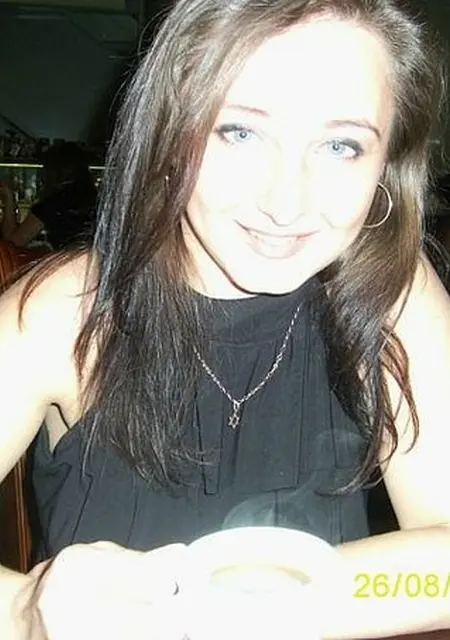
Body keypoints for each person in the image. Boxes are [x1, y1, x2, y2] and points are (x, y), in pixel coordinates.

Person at [0, 0, 450, 638]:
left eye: (341, 145)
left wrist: (264, 603)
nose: (285, 203)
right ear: (169, 131)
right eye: (239, 132)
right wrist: (23, 610)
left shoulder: (393, 295)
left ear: (386, 165)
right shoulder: (63, 312)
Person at [0, 142, 97, 251]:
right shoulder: (96, 198)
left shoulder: (53, 203)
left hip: (69, 259)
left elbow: (12, 244)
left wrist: (8, 197)